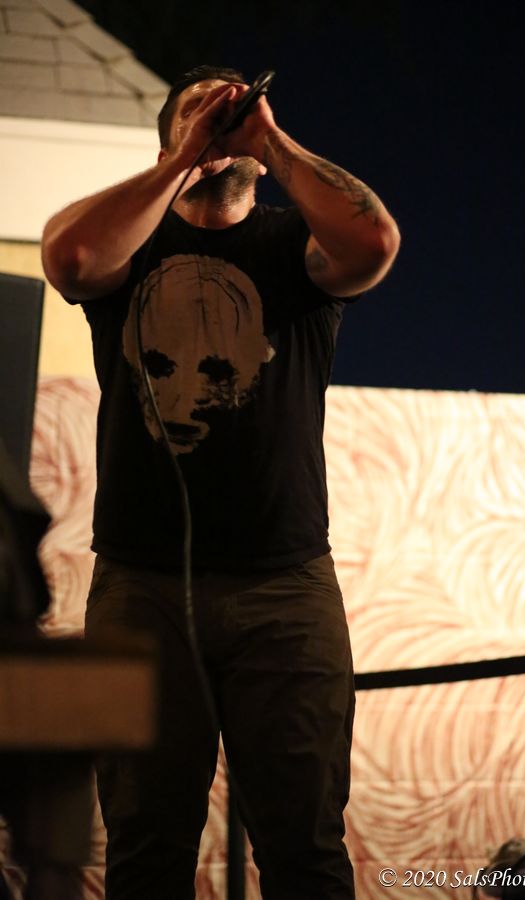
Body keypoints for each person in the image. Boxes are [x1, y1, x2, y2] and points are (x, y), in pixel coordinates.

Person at [41, 65, 400, 900]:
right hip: (142, 589)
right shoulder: (131, 248)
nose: (220, 119)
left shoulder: (293, 247)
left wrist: (267, 137)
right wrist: (183, 160)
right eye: (196, 113)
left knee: (305, 848)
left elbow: (375, 244)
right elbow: (72, 257)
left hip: (285, 589)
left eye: (232, 108)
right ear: (166, 141)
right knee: (144, 847)